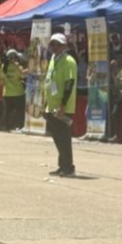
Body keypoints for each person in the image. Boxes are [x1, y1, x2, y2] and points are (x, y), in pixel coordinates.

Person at [44, 33, 78, 177]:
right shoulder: (53, 59)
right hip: (52, 105)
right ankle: (62, 165)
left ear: (64, 46)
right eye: (52, 44)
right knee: (57, 137)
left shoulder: (68, 61)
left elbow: (69, 84)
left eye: (58, 44)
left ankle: (69, 167)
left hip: (63, 106)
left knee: (64, 138)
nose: (54, 47)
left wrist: (63, 105)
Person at [3, 50, 27, 131]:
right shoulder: (17, 66)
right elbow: (23, 75)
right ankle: (20, 127)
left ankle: (7, 127)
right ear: (13, 58)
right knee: (20, 112)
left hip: (7, 93)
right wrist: (28, 70)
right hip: (18, 92)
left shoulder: (4, 67)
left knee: (8, 111)